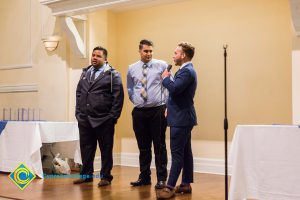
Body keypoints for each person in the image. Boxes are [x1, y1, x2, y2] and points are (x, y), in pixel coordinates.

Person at [73, 46, 124, 187]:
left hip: (104, 120)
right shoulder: (85, 72)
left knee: (106, 150)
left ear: (105, 59)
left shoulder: (113, 75)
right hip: (85, 119)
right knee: (86, 149)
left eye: (98, 56)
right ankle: (86, 176)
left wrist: (112, 117)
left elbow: (118, 97)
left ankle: (106, 177)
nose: (95, 57)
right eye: (93, 55)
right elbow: (79, 93)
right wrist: (78, 113)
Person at [157, 42, 197, 199]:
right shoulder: (185, 70)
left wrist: (165, 79)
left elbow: (174, 89)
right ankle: (186, 184)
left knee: (177, 153)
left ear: (183, 55)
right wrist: (169, 107)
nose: (173, 55)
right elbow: (177, 94)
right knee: (186, 152)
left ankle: (170, 187)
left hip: (181, 119)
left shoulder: (187, 72)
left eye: (175, 53)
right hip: (182, 117)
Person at [127, 39, 168, 189]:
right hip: (139, 113)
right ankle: (144, 177)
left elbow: (168, 86)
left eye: (151, 51)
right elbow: (130, 88)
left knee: (159, 146)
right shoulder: (132, 68)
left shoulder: (161, 65)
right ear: (140, 51)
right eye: (146, 51)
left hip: (157, 110)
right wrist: (136, 100)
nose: (149, 54)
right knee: (143, 147)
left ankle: (162, 179)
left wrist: (167, 106)